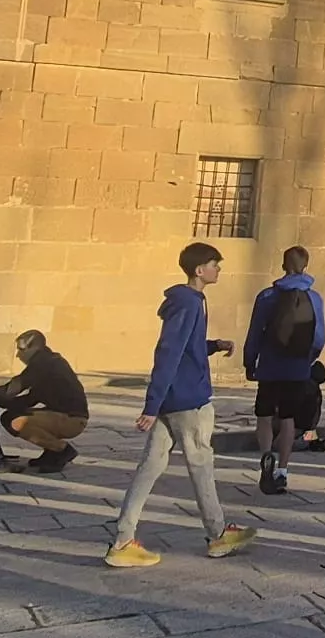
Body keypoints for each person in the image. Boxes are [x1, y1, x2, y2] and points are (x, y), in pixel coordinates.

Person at [105, 243, 256, 568]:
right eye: (215, 264)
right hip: (187, 400)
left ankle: (123, 539)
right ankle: (217, 534)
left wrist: (214, 346)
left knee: (150, 467)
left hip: (173, 399)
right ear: (200, 270)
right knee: (201, 465)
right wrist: (151, 404)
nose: (219, 270)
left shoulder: (189, 302)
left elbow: (186, 346)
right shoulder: (188, 302)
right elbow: (169, 351)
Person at [245, 245, 325, 496]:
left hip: (270, 366)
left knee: (265, 415)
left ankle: (266, 456)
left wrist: (250, 363)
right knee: (289, 418)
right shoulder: (314, 298)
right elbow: (319, 337)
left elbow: (255, 332)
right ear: (306, 266)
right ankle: (282, 470)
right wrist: (308, 359)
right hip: (297, 368)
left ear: (283, 265)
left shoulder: (267, 296)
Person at [0, 329, 90, 472]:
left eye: (21, 349)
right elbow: (31, 398)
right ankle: (51, 452)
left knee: (14, 420)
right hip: (67, 416)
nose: (18, 355)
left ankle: (61, 449)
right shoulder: (49, 361)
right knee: (14, 414)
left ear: (35, 348)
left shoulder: (43, 363)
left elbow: (13, 388)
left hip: (73, 419)